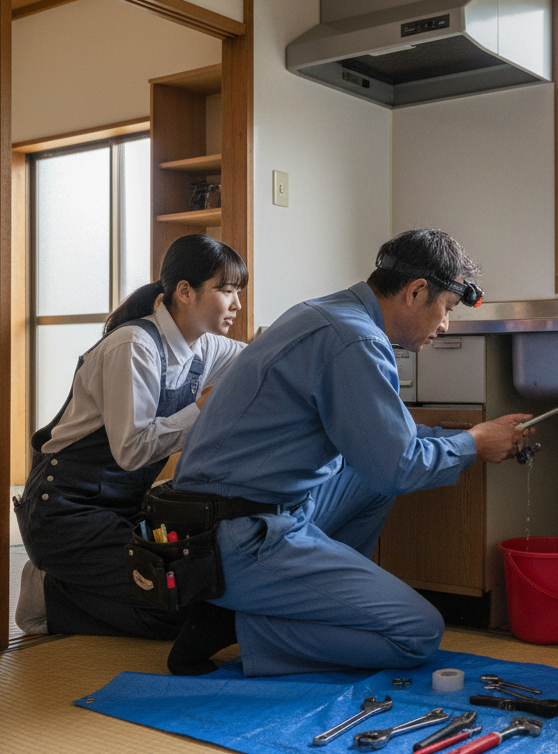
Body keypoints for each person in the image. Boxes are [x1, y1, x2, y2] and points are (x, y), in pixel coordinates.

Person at [160, 228, 531, 677]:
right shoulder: (356, 340)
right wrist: (474, 444)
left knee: (366, 479)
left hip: (230, 514)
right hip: (239, 535)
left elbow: (386, 443)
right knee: (416, 633)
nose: (445, 325)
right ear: (416, 292)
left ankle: (315, 599)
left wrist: (470, 436)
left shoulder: (327, 313)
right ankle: (238, 624)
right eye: (447, 309)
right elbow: (398, 467)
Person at [14, 234, 248, 639]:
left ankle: (74, 579)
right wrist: (201, 409)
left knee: (201, 594)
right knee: (174, 615)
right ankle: (49, 595)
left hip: (124, 512)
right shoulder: (133, 345)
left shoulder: (205, 348)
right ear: (185, 291)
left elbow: (262, 358)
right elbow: (131, 451)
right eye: (226, 290)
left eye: (238, 291)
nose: (237, 304)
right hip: (64, 514)